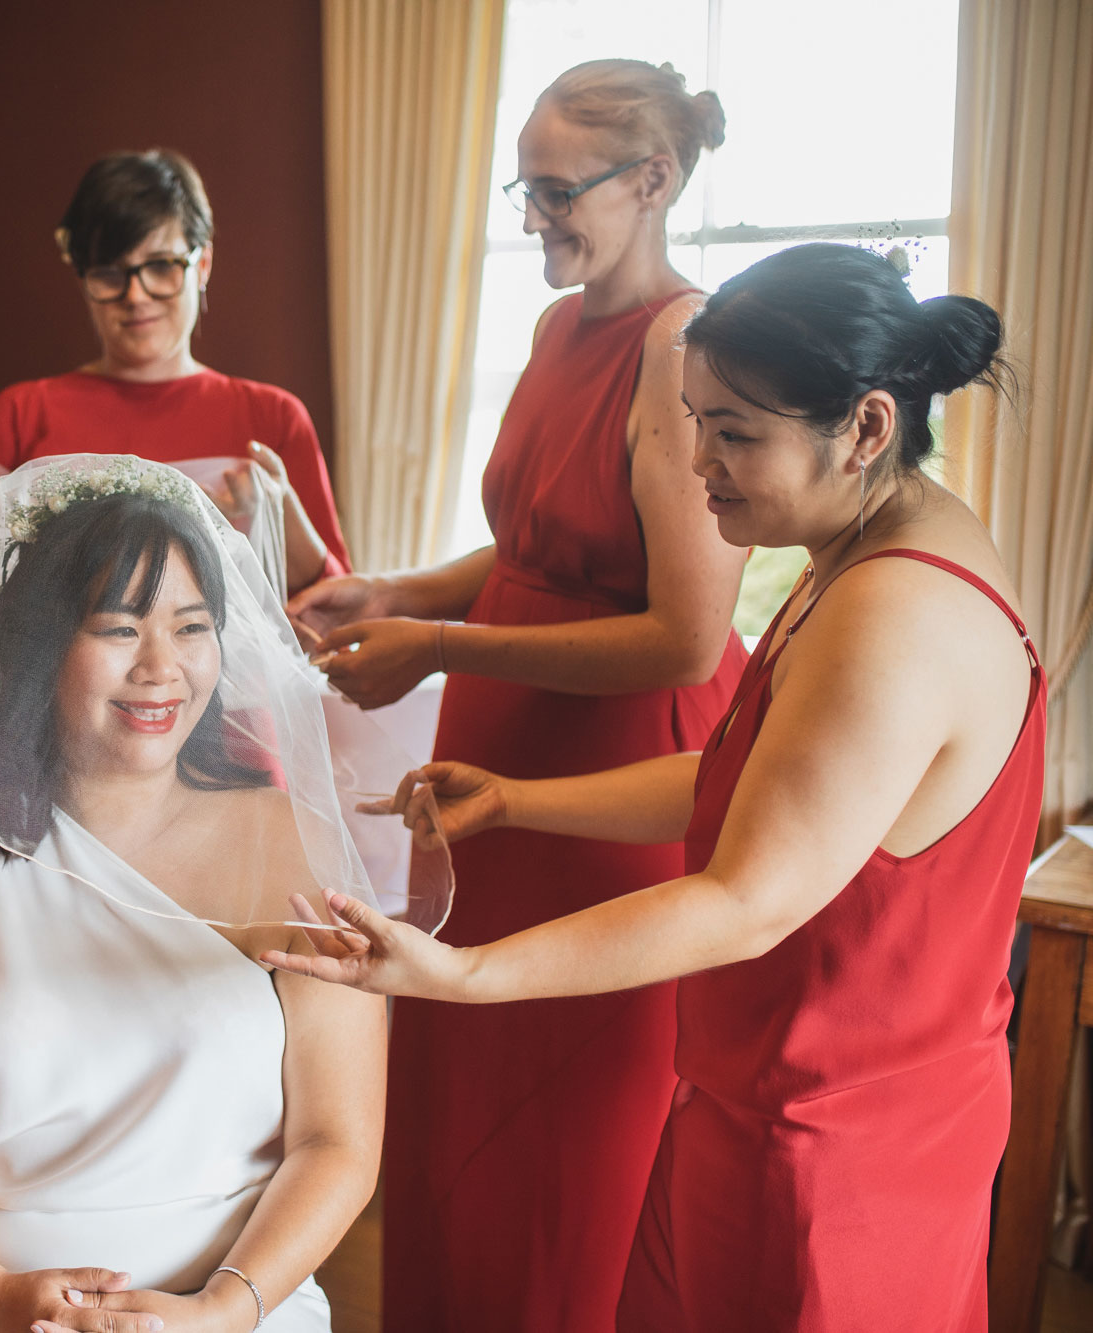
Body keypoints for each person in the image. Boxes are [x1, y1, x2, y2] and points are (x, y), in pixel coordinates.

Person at [269, 242, 1039, 1332]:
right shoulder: (866, 540)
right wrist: (519, 798)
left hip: (833, 1137)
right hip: (766, 1092)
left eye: (733, 434)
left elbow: (744, 896)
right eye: (692, 423)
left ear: (864, 427)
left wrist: (464, 972)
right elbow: (756, 782)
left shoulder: (893, 618)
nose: (697, 464)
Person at [287, 59, 749, 1330]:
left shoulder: (684, 350)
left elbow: (682, 637)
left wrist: (437, 644)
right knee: (459, 1122)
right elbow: (545, 542)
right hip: (496, 778)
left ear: (650, 182)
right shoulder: (559, 328)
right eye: (522, 190)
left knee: (561, 1147)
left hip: (604, 798)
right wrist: (398, 591)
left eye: (556, 193)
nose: (532, 218)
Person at [0, 459, 386, 1332]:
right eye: (120, 628)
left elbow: (336, 1139)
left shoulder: (293, 847)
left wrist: (224, 1309)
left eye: (193, 627)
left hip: (238, 1305)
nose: (162, 667)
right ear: (37, 645)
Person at [0, 149, 350, 594]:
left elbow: (335, 603)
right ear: (83, 279)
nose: (136, 295)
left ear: (201, 265)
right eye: (111, 273)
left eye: (161, 266)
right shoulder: (23, 412)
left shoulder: (273, 418)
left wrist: (277, 508)